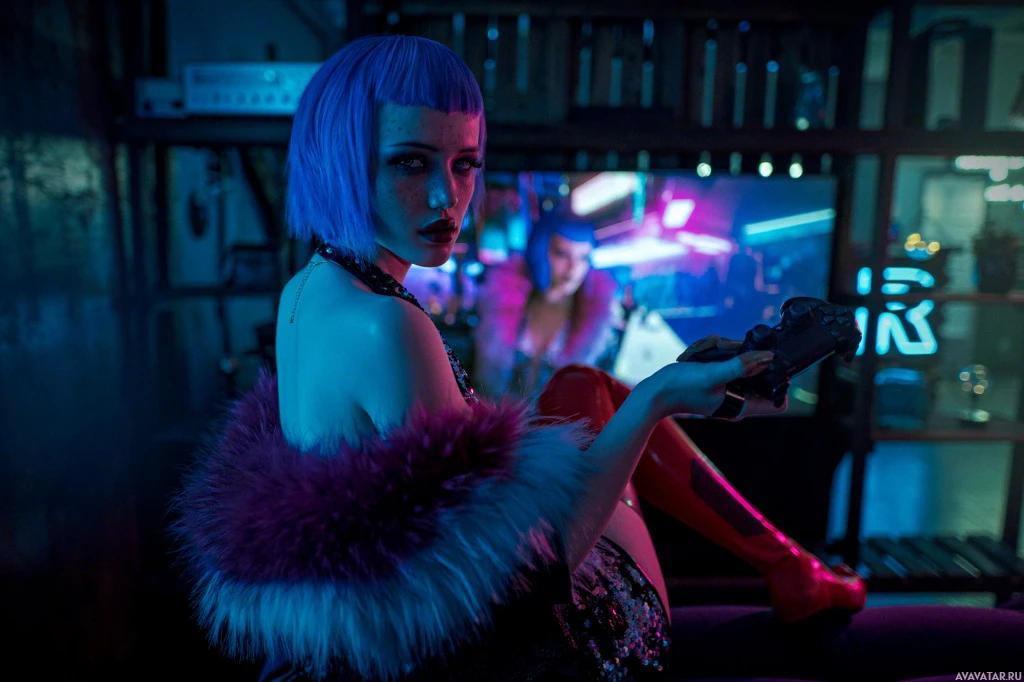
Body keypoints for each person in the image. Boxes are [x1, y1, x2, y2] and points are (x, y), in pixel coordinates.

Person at [172, 35, 1024, 682]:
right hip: (556, 649)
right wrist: (657, 400)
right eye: (410, 163)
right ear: (337, 158)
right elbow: (521, 583)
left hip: (392, 611)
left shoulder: (310, 289)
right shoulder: (387, 327)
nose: (446, 197)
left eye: (465, 165)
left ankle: (788, 565)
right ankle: (789, 563)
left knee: (584, 387)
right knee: (615, 397)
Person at [473, 212, 618, 399]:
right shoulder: (503, 305)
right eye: (562, 254)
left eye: (583, 257)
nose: (573, 267)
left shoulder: (593, 323)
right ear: (540, 251)